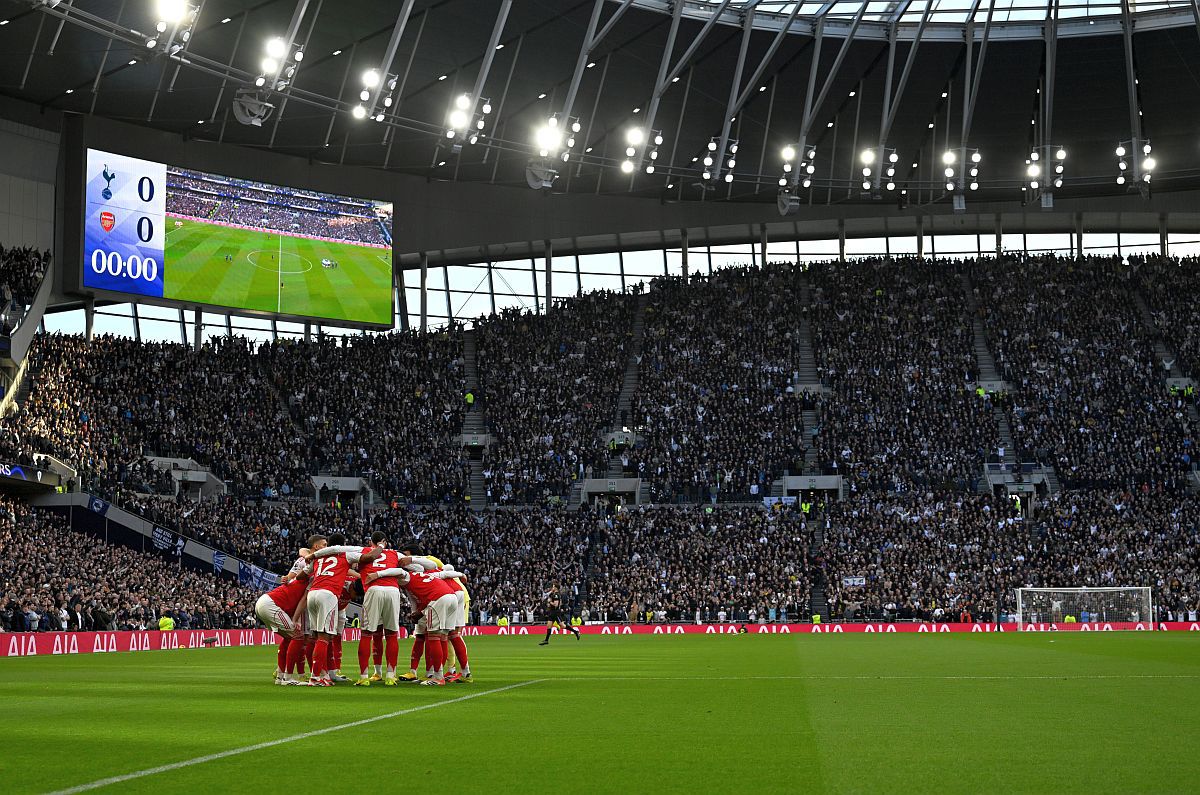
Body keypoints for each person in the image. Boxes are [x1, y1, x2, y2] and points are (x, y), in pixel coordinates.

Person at [366, 551, 460, 687]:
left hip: (439, 599)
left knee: (433, 637)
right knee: (442, 637)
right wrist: (417, 613)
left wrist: (378, 574)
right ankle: (437, 674)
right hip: (451, 597)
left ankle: (438, 677)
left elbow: (399, 571)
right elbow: (416, 598)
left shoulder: (407, 577)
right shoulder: (423, 575)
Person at [301, 534, 381, 687]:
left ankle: (324, 674)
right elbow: (369, 557)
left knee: (317, 637)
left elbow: (300, 576)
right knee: (324, 637)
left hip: (312, 593)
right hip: (328, 595)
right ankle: (315, 677)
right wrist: (381, 547)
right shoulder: (346, 555)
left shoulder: (317, 558)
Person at [355, 530, 404, 686]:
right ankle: (390, 675)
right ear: (385, 542)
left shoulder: (362, 551)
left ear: (371, 543)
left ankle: (364, 678)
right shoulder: (395, 554)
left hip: (374, 589)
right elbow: (415, 562)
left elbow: (339, 552)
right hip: (393, 591)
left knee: (367, 634)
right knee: (391, 634)